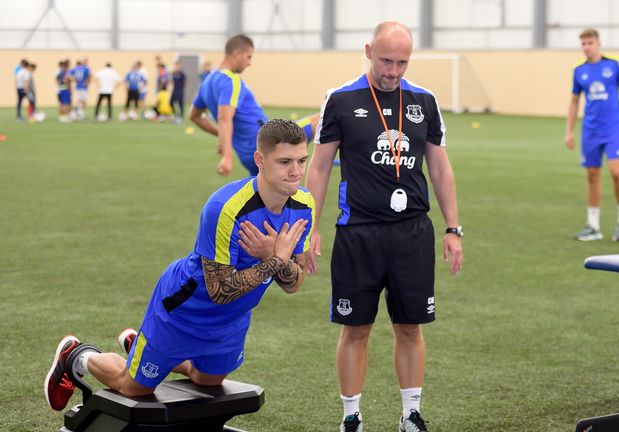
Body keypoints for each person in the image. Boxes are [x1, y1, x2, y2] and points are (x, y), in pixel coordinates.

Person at [44, 119, 314, 412]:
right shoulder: (225, 208)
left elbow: (294, 284)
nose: (296, 171)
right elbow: (219, 291)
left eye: (301, 160)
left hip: (232, 319)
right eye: (285, 162)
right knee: (134, 387)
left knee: (207, 380)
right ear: (260, 160)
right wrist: (275, 259)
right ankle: (76, 356)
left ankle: (143, 349)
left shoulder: (304, 206)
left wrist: (276, 259)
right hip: (185, 309)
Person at [305, 21, 462, 432]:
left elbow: (440, 167)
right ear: (368, 51)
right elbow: (319, 168)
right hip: (357, 232)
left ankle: (410, 414)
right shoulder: (340, 99)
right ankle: (351, 417)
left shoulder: (424, 101)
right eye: (386, 61)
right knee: (355, 328)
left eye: (402, 63)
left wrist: (453, 228)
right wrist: (309, 226)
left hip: (412, 233)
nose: (393, 71)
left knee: (410, 327)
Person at [191, 35, 318, 177]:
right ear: (237, 53)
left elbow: (194, 116)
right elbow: (224, 118)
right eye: (248, 57)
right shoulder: (231, 80)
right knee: (321, 118)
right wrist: (227, 157)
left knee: (266, 190)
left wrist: (222, 136)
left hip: (248, 155)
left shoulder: (206, 83)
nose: (249, 63)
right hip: (269, 143)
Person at [565, 28, 619, 242]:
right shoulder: (579, 71)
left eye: (590, 43)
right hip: (590, 131)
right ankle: (593, 226)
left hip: (613, 129)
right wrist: (569, 131)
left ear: (598, 43)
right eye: (583, 44)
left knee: (616, 172)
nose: (586, 47)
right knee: (592, 175)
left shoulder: (614, 64)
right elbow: (574, 102)